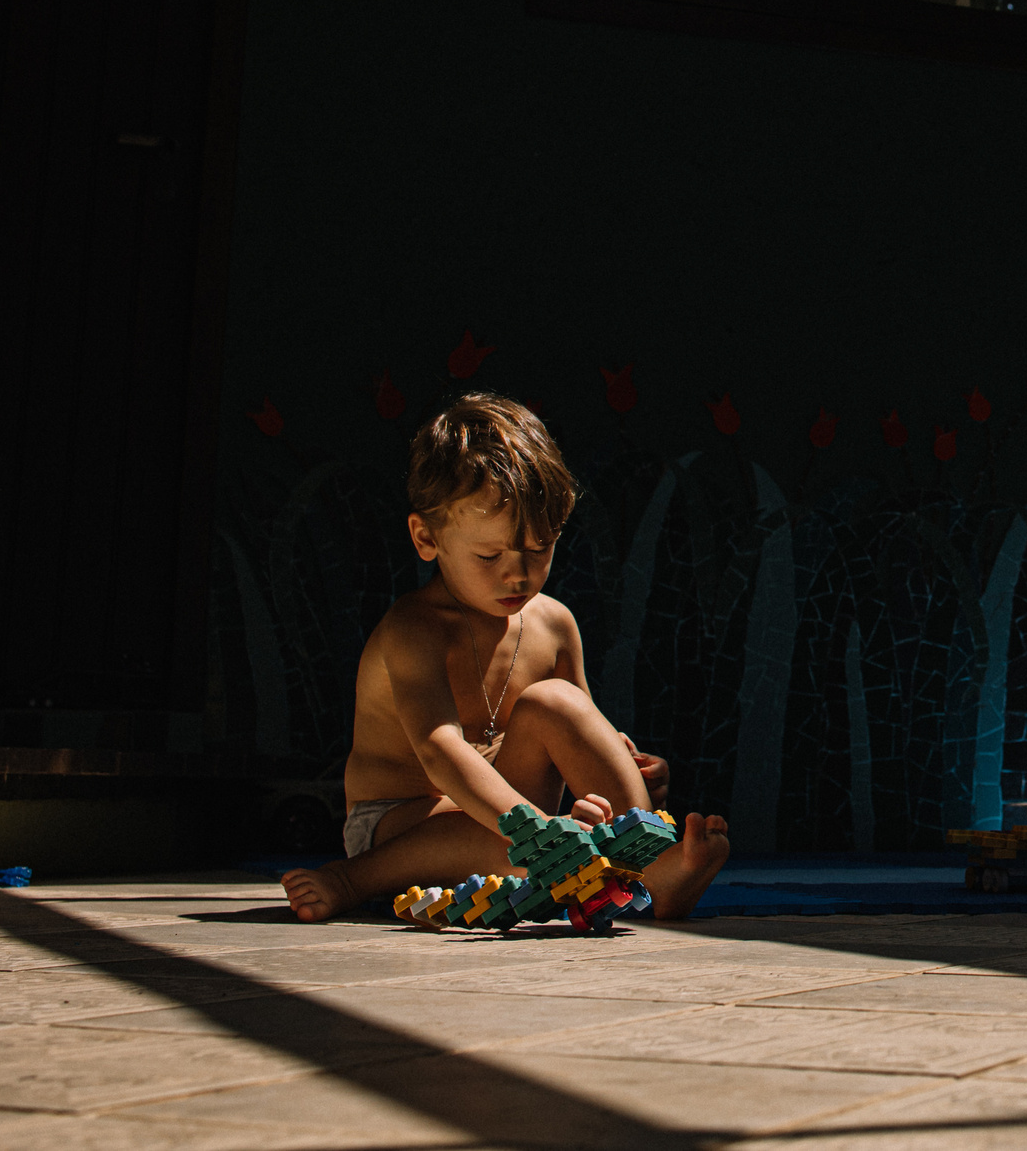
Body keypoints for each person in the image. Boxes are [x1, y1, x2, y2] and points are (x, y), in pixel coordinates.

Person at [280, 393, 730, 922]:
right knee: (510, 846)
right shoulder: (414, 629)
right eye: (489, 556)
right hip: (401, 827)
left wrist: (627, 772)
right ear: (427, 538)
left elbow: (580, 735)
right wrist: (537, 829)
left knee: (557, 702)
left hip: (514, 819)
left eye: (538, 549)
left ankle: (648, 864)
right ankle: (348, 879)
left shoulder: (554, 624)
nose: (517, 574)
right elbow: (439, 752)